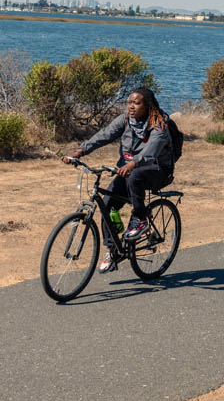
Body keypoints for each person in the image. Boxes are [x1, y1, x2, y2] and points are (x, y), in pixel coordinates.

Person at [65, 87, 174, 273]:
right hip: (128, 171)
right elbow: (105, 134)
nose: (131, 106)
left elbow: (151, 152)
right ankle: (112, 250)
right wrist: (80, 151)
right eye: (129, 102)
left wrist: (132, 164)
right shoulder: (125, 120)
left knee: (136, 177)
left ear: (147, 106)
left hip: (157, 170)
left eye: (137, 103)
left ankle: (141, 219)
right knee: (107, 204)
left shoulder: (159, 124)